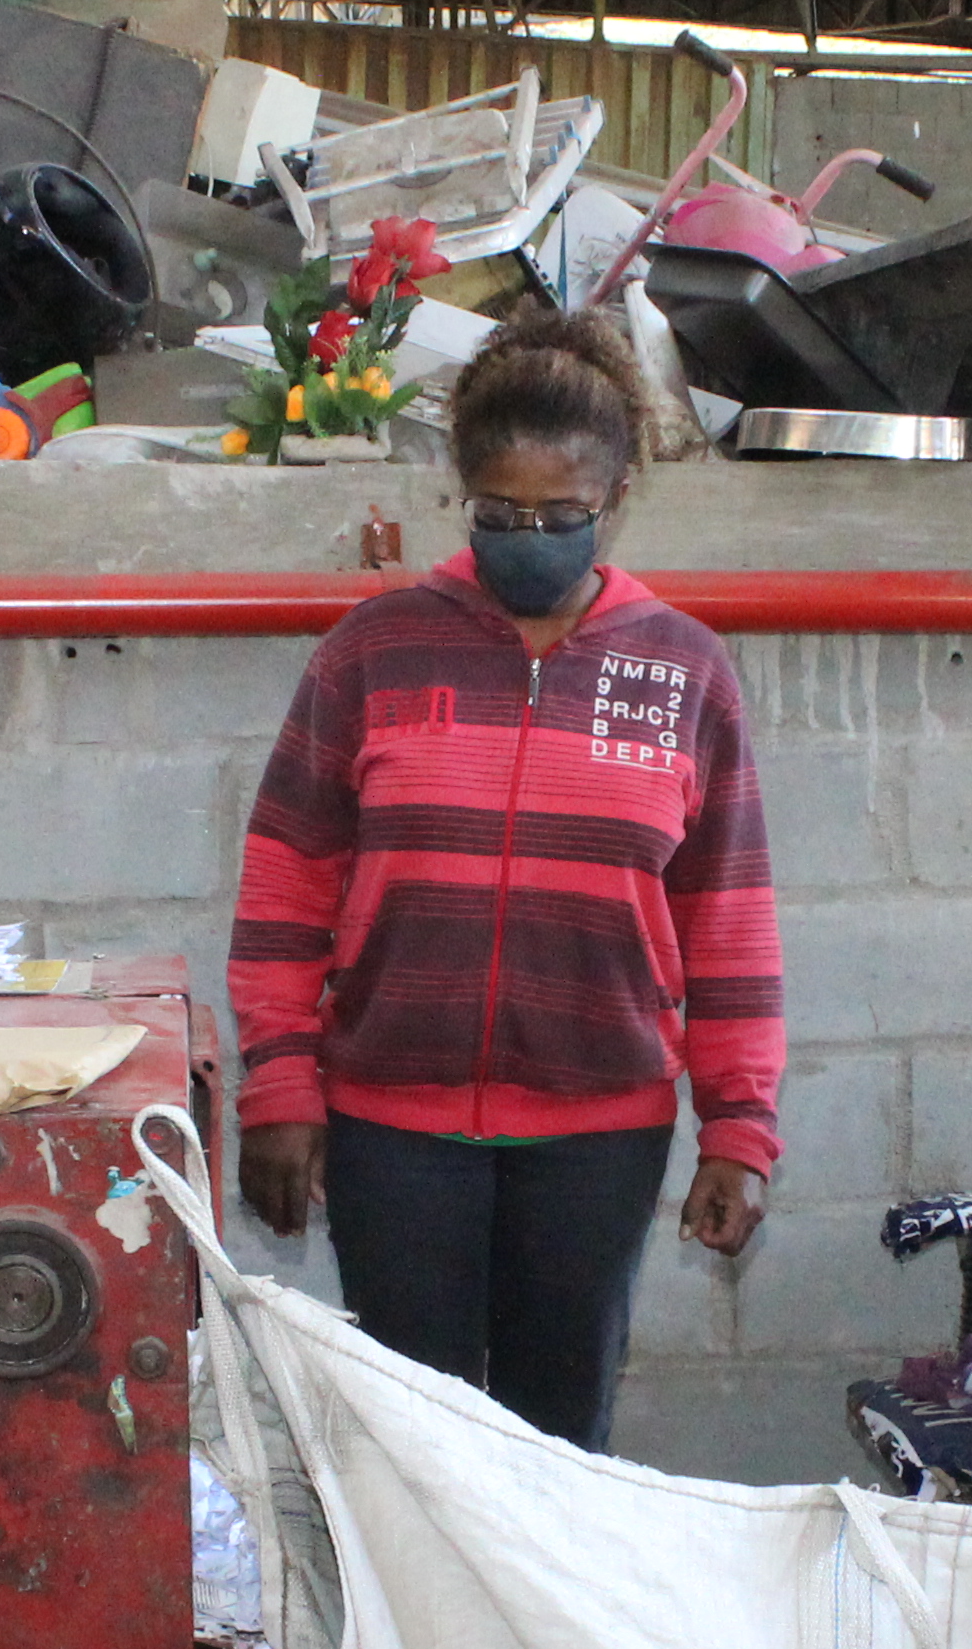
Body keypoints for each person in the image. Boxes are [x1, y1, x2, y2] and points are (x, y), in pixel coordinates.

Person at [227, 311, 780, 1450]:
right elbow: (286, 894)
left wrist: (739, 1128)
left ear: (615, 498)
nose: (529, 536)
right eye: (501, 514)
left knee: (558, 1444)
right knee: (410, 1445)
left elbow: (726, 919)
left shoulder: (684, 670)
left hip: (598, 1136)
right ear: (461, 497)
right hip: (392, 1129)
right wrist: (279, 1089)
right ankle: (407, 1640)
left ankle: (533, 1637)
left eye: (560, 516)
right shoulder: (373, 654)